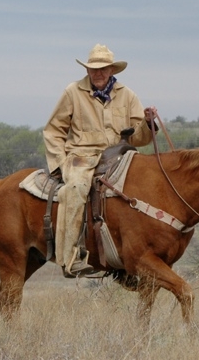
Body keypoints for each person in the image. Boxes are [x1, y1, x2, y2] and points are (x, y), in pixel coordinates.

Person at [43, 44, 158, 277]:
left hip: (119, 155)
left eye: (103, 69)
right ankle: (71, 257)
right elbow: (53, 130)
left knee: (141, 191)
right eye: (93, 69)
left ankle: (129, 259)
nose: (98, 73)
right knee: (75, 189)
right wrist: (59, 164)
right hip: (81, 158)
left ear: (112, 70)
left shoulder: (127, 95)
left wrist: (148, 123)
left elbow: (137, 137)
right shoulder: (72, 92)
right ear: (87, 70)